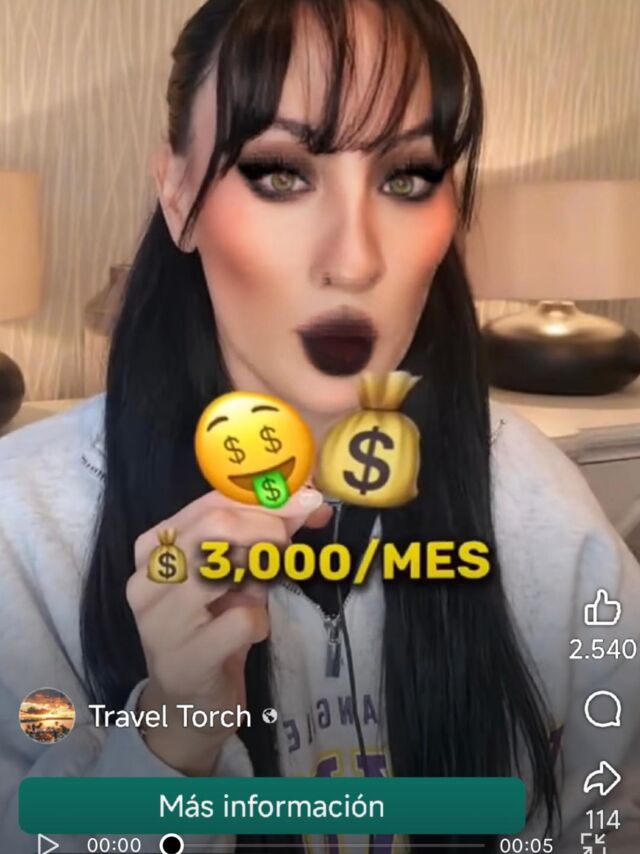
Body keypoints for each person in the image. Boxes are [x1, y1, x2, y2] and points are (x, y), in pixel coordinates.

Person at [1, 1, 639, 852]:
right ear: (179, 195)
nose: (355, 259)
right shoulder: (26, 526)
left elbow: (612, 813)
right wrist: (169, 739)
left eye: (406, 178)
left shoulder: (530, 492)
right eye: (281, 174)